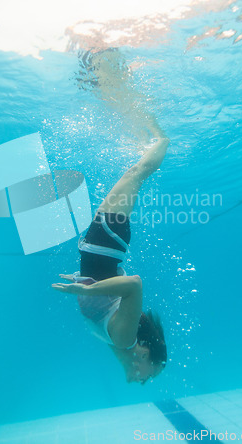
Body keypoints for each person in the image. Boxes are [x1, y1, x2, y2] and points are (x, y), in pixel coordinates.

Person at [52, 136, 170, 385]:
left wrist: (80, 279)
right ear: (146, 355)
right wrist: (85, 287)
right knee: (135, 174)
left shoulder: (117, 341)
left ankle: (153, 144)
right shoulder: (125, 338)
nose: (145, 379)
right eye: (151, 373)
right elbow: (133, 284)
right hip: (107, 240)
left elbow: (108, 296)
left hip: (103, 246)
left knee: (135, 175)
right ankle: (162, 140)